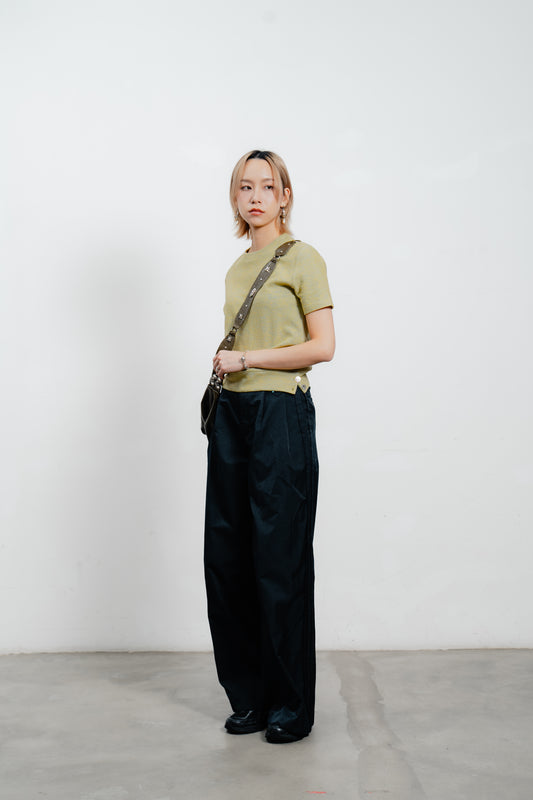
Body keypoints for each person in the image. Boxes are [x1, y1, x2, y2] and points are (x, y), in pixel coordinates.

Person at [204, 149, 335, 744]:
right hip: (232, 413)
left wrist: (248, 359)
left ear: (285, 197)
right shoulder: (238, 267)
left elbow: (323, 346)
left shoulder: (303, 257)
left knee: (279, 559)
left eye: (267, 186)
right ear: (235, 198)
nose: (255, 196)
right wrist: (230, 364)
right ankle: (251, 697)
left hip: (281, 412)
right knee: (228, 556)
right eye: (244, 187)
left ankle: (290, 706)